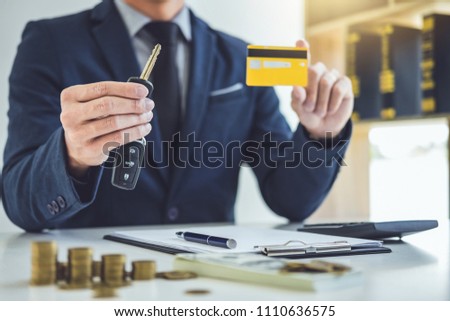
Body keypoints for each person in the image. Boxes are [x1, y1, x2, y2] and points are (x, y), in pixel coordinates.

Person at [2, 0, 353, 232]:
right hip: (97, 287)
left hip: (212, 284)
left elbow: (291, 201)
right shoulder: (49, 42)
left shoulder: (240, 56)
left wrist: (320, 136)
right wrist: (72, 156)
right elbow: (21, 203)